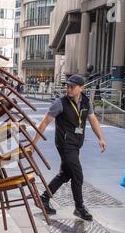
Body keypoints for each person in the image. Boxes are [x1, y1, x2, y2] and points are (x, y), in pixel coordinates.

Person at [33, 74, 107, 221]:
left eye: (72, 86)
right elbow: (44, 122)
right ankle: (79, 208)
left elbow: (92, 119)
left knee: (65, 174)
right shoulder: (60, 103)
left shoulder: (86, 102)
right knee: (77, 175)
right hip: (65, 144)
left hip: (76, 143)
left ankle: (44, 198)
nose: (69, 89)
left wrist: (101, 138)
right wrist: (33, 143)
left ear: (81, 88)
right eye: (67, 86)